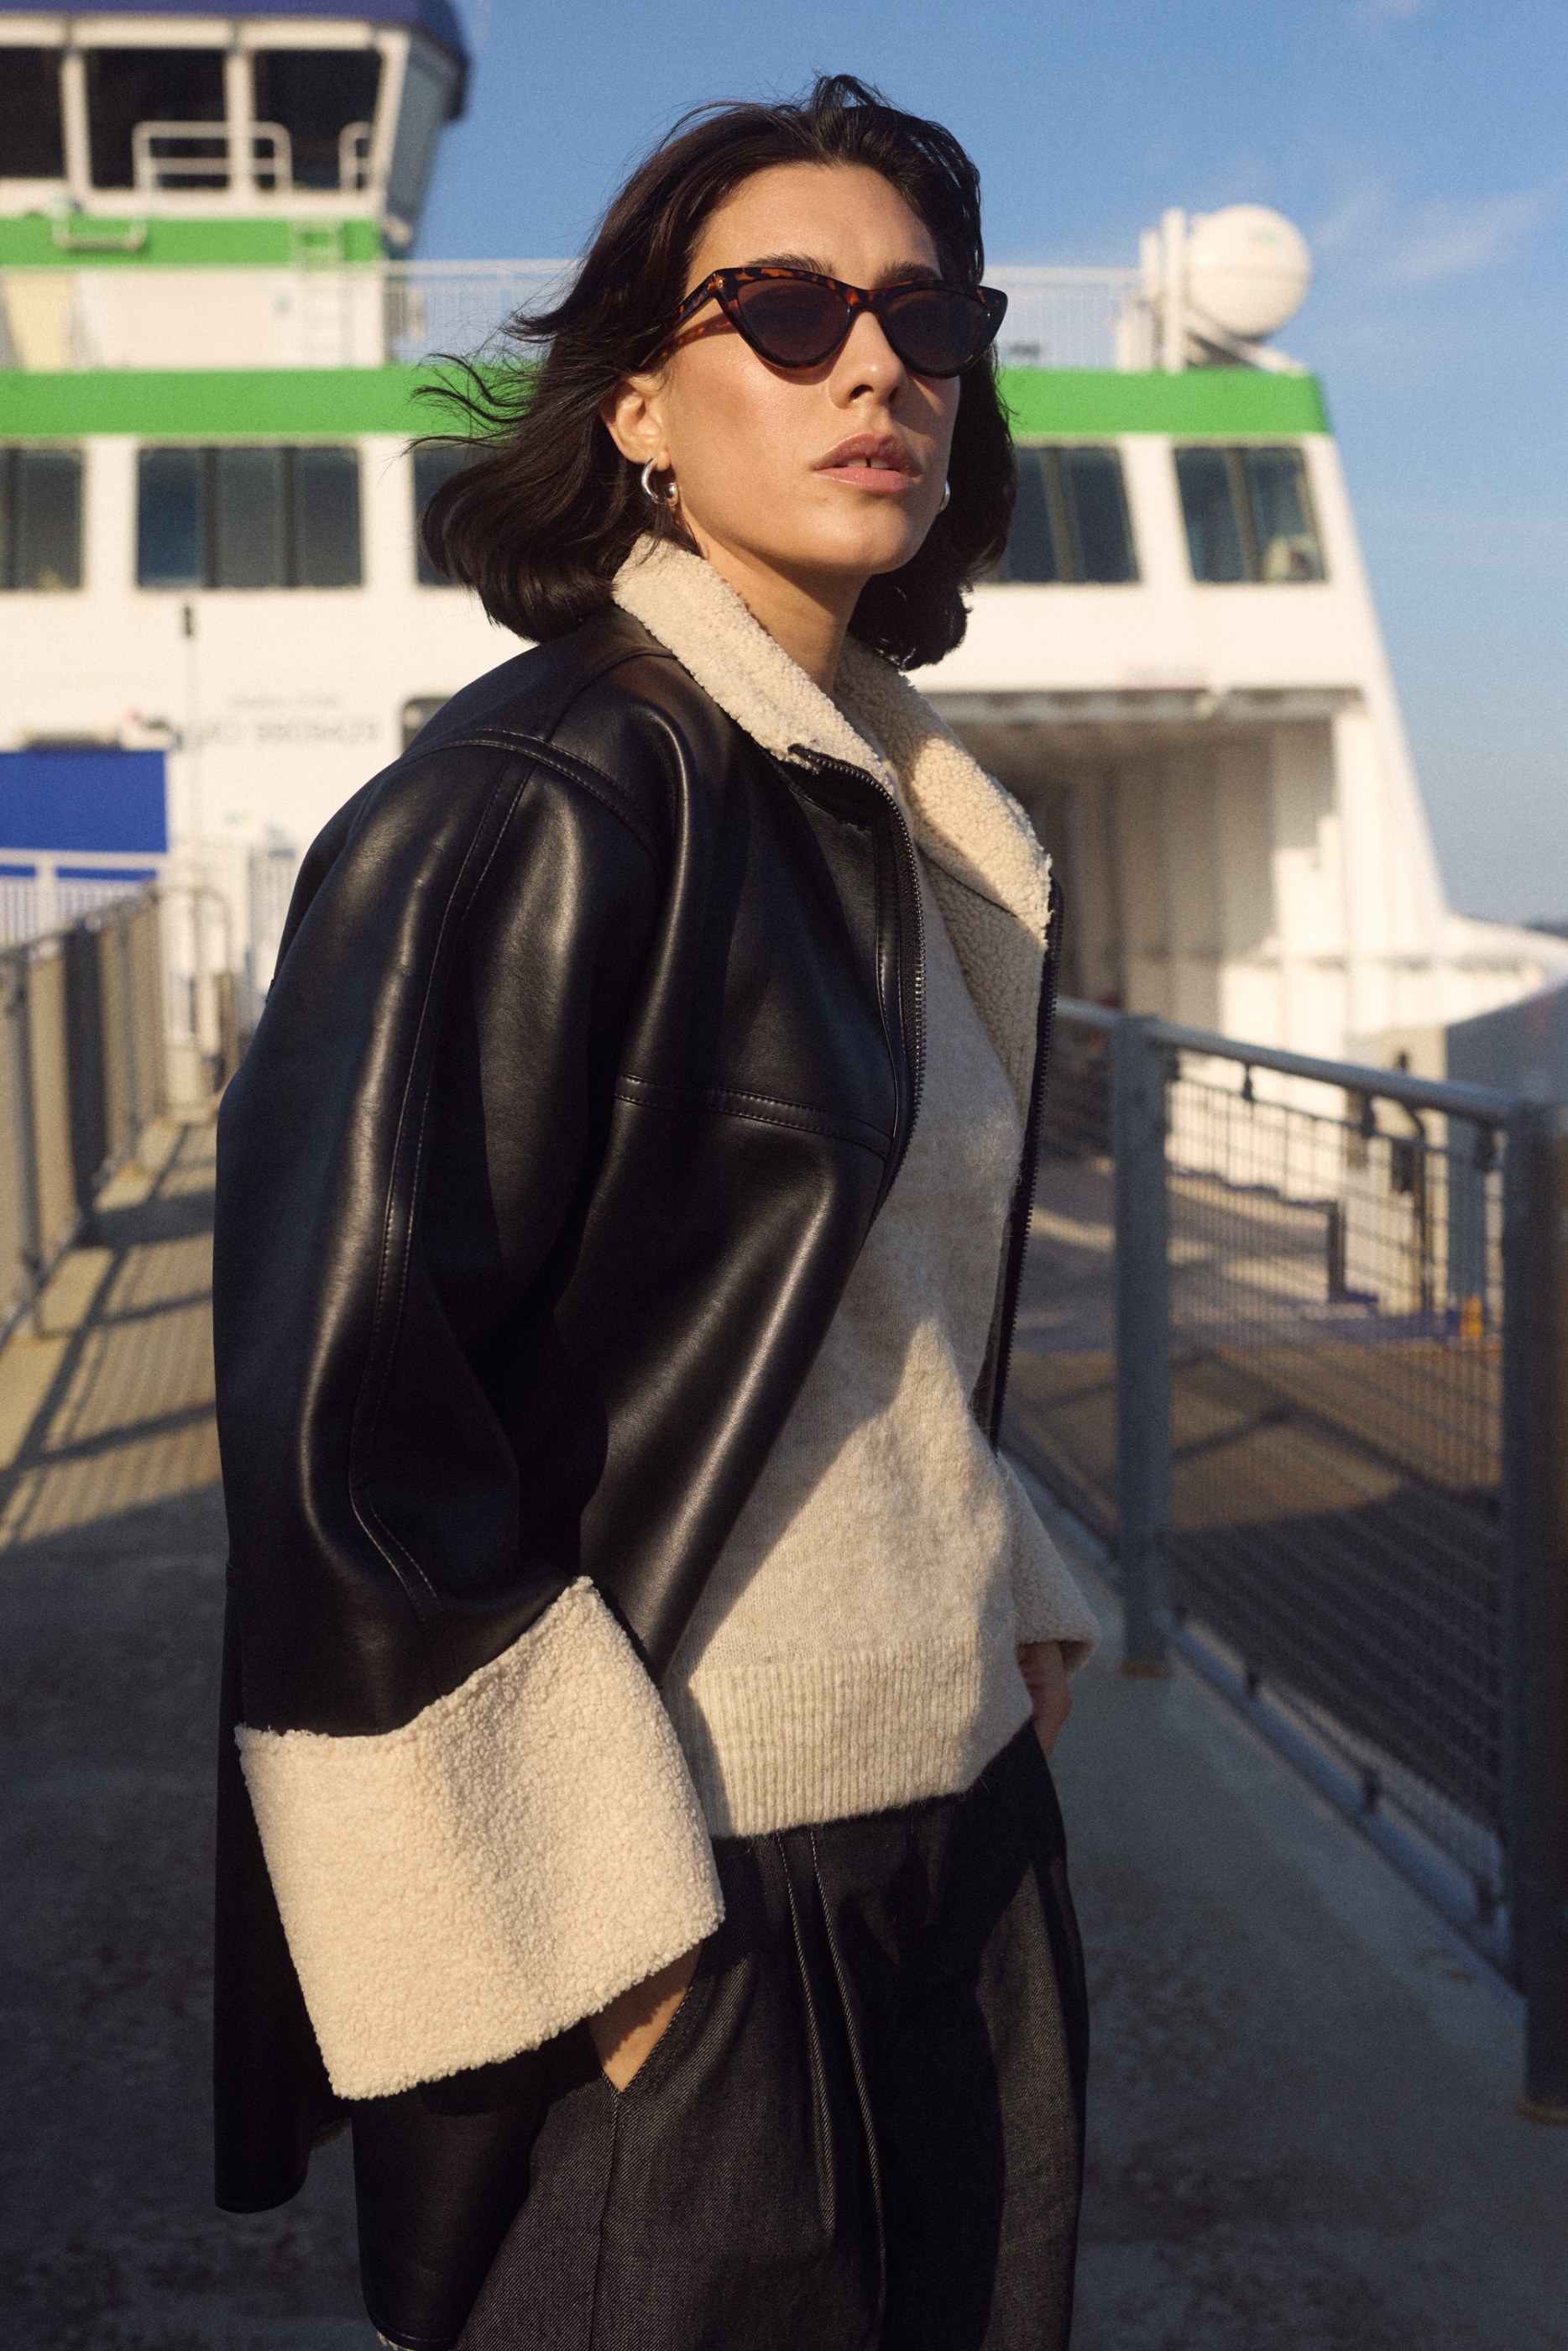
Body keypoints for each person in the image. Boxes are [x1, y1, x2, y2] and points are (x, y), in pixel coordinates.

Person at [212, 73, 1100, 2351]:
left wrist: (994, 1581)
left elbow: (850, 1314)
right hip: (688, 1887)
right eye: (787, 310)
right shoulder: (531, 802)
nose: (877, 365)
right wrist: (595, 1945)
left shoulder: (880, 809)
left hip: (951, 1822)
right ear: (636, 400)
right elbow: (347, 1437)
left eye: (926, 315)